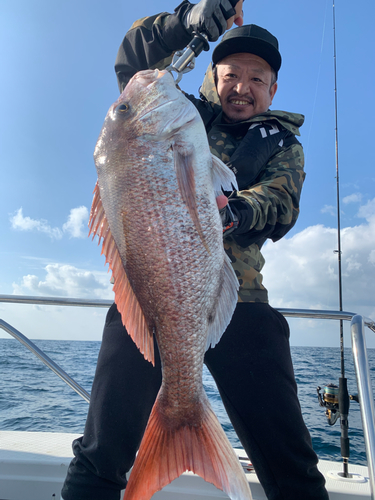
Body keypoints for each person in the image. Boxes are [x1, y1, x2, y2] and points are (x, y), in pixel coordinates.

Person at [61, 1, 329, 499]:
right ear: (211, 77)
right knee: (101, 453)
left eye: (256, 78)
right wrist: (187, 20)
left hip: (241, 301)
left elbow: (280, 203)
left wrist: (233, 211)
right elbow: (134, 60)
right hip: (148, 301)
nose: (242, 87)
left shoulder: (283, 146)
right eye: (230, 75)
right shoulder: (175, 112)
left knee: (292, 465)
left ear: (273, 90)